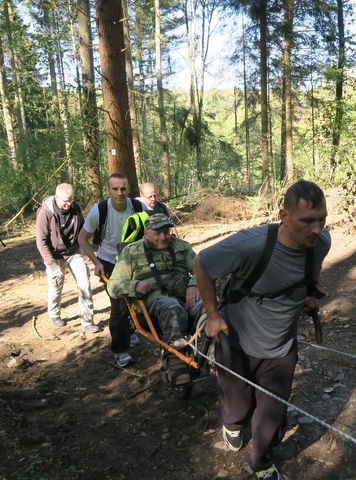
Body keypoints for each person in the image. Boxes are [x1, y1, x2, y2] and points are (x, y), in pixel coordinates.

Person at [194, 180, 331, 480]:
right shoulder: (253, 244)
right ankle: (232, 424)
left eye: (322, 219)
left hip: (281, 347)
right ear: (284, 216)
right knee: (238, 406)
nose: (317, 228)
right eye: (307, 220)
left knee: (273, 414)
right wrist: (212, 315)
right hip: (237, 340)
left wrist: (309, 295)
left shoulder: (320, 244)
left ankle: (261, 461)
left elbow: (312, 271)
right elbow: (202, 263)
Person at [107, 213, 202, 385]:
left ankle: (215, 352)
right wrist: (135, 286)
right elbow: (113, 285)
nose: (163, 237)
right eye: (157, 233)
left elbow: (199, 266)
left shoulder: (181, 246)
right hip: (153, 304)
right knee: (171, 307)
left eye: (166, 232)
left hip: (184, 295)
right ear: (146, 233)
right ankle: (175, 362)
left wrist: (194, 283)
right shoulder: (132, 252)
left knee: (208, 307)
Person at [78, 173, 143, 367]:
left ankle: (131, 330)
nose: (119, 193)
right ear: (109, 190)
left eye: (123, 188)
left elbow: (150, 231)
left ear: (129, 189)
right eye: (115, 189)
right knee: (118, 307)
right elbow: (82, 239)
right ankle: (120, 351)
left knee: (137, 298)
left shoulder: (138, 207)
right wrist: (96, 262)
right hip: (109, 262)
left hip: (134, 260)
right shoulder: (100, 210)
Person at [36, 183, 99, 333]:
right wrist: (52, 265)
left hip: (74, 251)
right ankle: (54, 313)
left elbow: (82, 229)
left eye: (71, 200)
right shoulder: (45, 213)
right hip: (54, 255)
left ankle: (87, 321)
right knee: (56, 287)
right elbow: (41, 241)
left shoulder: (75, 207)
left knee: (84, 284)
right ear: (56, 197)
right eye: (65, 201)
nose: (68, 204)